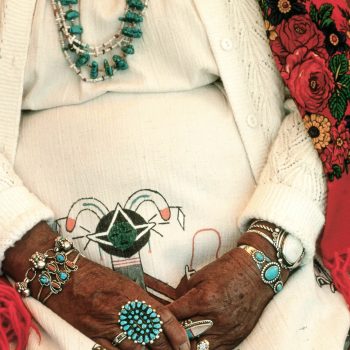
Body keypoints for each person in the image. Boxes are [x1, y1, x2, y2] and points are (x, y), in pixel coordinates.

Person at [0, 0, 349, 349]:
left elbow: (333, 84)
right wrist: (41, 264)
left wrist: (267, 253)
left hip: (267, 282)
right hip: (34, 300)